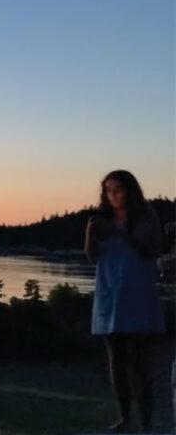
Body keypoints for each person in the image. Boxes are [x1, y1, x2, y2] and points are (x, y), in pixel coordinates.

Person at [84, 170, 166, 433]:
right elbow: (92, 256)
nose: (113, 195)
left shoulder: (145, 216)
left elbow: (152, 250)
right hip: (109, 293)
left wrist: (120, 234)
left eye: (118, 189)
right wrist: (90, 234)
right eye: (109, 190)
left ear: (130, 190)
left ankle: (146, 419)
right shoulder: (102, 219)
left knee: (139, 361)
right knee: (116, 359)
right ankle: (125, 417)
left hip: (138, 293)